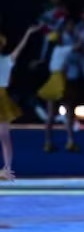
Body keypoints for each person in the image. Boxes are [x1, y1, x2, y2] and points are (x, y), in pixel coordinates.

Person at [0, 24, 41, 175]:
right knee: (4, 136)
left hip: (1, 98)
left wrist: (28, 33)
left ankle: (7, 168)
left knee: (4, 136)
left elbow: (20, 48)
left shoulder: (7, 60)